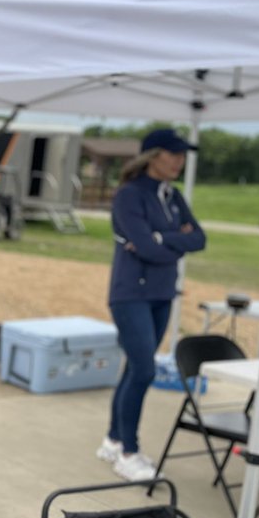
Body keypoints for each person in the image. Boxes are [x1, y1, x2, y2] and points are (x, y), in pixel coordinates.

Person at [98, 127, 205, 481]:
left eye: (181, 155)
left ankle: (113, 439)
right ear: (152, 156)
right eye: (172, 154)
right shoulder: (130, 195)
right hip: (131, 294)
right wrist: (173, 240)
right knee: (144, 370)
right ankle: (129, 451)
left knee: (134, 367)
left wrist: (162, 238)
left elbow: (200, 239)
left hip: (161, 293)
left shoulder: (172, 195)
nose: (179, 161)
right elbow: (146, 248)